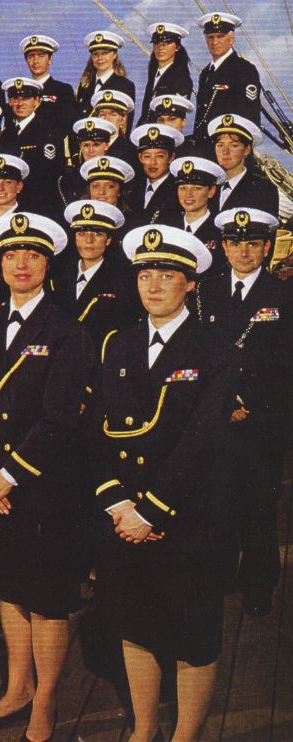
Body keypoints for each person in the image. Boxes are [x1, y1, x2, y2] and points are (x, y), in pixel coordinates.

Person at [92, 224, 230, 742]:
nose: (153, 285)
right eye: (145, 274)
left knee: (193, 636)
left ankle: (184, 735)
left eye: (167, 275)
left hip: (186, 518)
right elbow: (96, 430)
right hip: (124, 517)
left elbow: (204, 440)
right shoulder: (118, 344)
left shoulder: (214, 347)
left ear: (190, 283)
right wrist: (118, 504)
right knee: (136, 626)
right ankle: (144, 729)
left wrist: (149, 511)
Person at [0, 212, 92, 742]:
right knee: (7, 587)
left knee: (45, 597)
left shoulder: (66, 329)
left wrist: (7, 477)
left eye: (33, 255)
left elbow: (60, 419)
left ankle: (47, 700)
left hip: (41, 487)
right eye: (12, 254)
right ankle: (18, 687)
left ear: (47, 264)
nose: (21, 264)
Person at [200, 208, 290, 617]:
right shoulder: (205, 292)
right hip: (213, 416)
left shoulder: (283, 296)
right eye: (235, 243)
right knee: (216, 498)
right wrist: (221, 404)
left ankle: (258, 585)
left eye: (253, 243)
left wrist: (249, 404)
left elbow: (285, 363)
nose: (244, 251)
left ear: (267, 247)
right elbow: (199, 353)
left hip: (261, 419)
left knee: (257, 503)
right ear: (223, 247)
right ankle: (218, 575)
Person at [55, 199, 138, 346]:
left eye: (98, 234)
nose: (89, 240)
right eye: (81, 233)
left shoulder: (123, 279)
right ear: (75, 238)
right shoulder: (57, 275)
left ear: (108, 240)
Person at [0, 77, 63, 216]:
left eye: (26, 98)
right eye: (15, 98)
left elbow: (48, 174)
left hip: (40, 205)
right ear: (10, 101)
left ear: (37, 101)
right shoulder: (6, 133)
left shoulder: (48, 131)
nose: (20, 103)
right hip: (11, 204)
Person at [193, 12, 261, 141]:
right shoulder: (206, 73)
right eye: (211, 37)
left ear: (231, 39)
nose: (215, 42)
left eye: (220, 36)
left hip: (229, 143)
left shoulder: (244, 69)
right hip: (204, 143)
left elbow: (249, 115)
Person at [160, 156, 227, 271]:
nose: (188, 194)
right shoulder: (167, 227)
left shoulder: (220, 231)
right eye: (183, 188)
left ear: (211, 191)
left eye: (197, 188)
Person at [207, 115, 280, 215]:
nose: (225, 152)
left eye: (233, 146)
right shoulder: (207, 186)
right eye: (220, 145)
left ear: (247, 150)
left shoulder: (263, 189)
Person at [75, 31, 136, 129]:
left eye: (105, 53)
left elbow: (126, 125)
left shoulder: (125, 86)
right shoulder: (83, 86)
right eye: (95, 54)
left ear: (114, 54)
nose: (99, 58)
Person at [127, 123, 184, 224]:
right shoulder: (132, 189)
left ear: (171, 158)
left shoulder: (178, 190)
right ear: (140, 158)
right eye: (147, 156)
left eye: (160, 156)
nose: (153, 162)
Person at [59, 118, 118, 208]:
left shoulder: (116, 174)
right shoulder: (67, 179)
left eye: (96, 145)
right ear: (80, 146)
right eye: (86, 145)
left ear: (107, 145)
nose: (91, 151)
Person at [140, 23, 194, 121]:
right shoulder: (154, 76)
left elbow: (175, 118)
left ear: (177, 47)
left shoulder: (181, 78)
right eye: (156, 43)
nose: (160, 48)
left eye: (166, 43)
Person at [19, 34, 75, 129]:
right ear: (26, 61)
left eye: (41, 56)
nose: (35, 61)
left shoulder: (63, 90)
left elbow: (68, 124)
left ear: (50, 59)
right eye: (31, 56)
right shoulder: (20, 92)